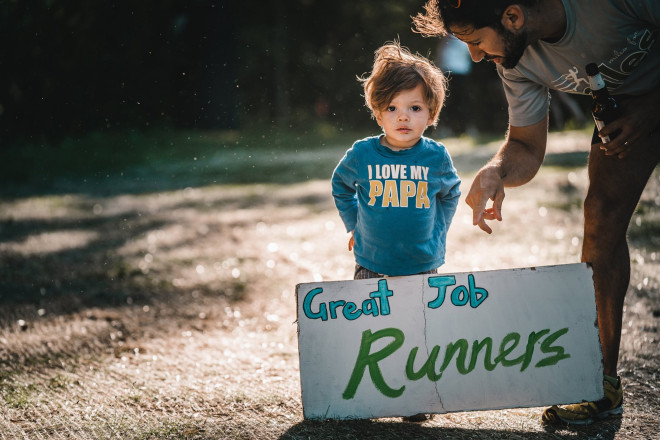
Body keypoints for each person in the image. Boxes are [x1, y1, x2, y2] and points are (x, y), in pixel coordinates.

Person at [413, 0, 660, 426]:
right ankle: (600, 384)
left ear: (512, 17)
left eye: (475, 41)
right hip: (629, 109)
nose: (473, 56)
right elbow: (526, 147)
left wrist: (651, 109)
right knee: (600, 214)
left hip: (649, 105)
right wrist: (495, 171)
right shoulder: (513, 59)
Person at [331, 42, 461, 421]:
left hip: (421, 263)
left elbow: (450, 194)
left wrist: (438, 234)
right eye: (392, 108)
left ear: (431, 113)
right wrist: (353, 224)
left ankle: (416, 399)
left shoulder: (435, 157)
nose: (402, 117)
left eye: (414, 108)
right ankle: (365, 394)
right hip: (371, 260)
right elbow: (340, 186)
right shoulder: (362, 154)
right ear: (378, 113)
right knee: (368, 329)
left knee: (418, 332)